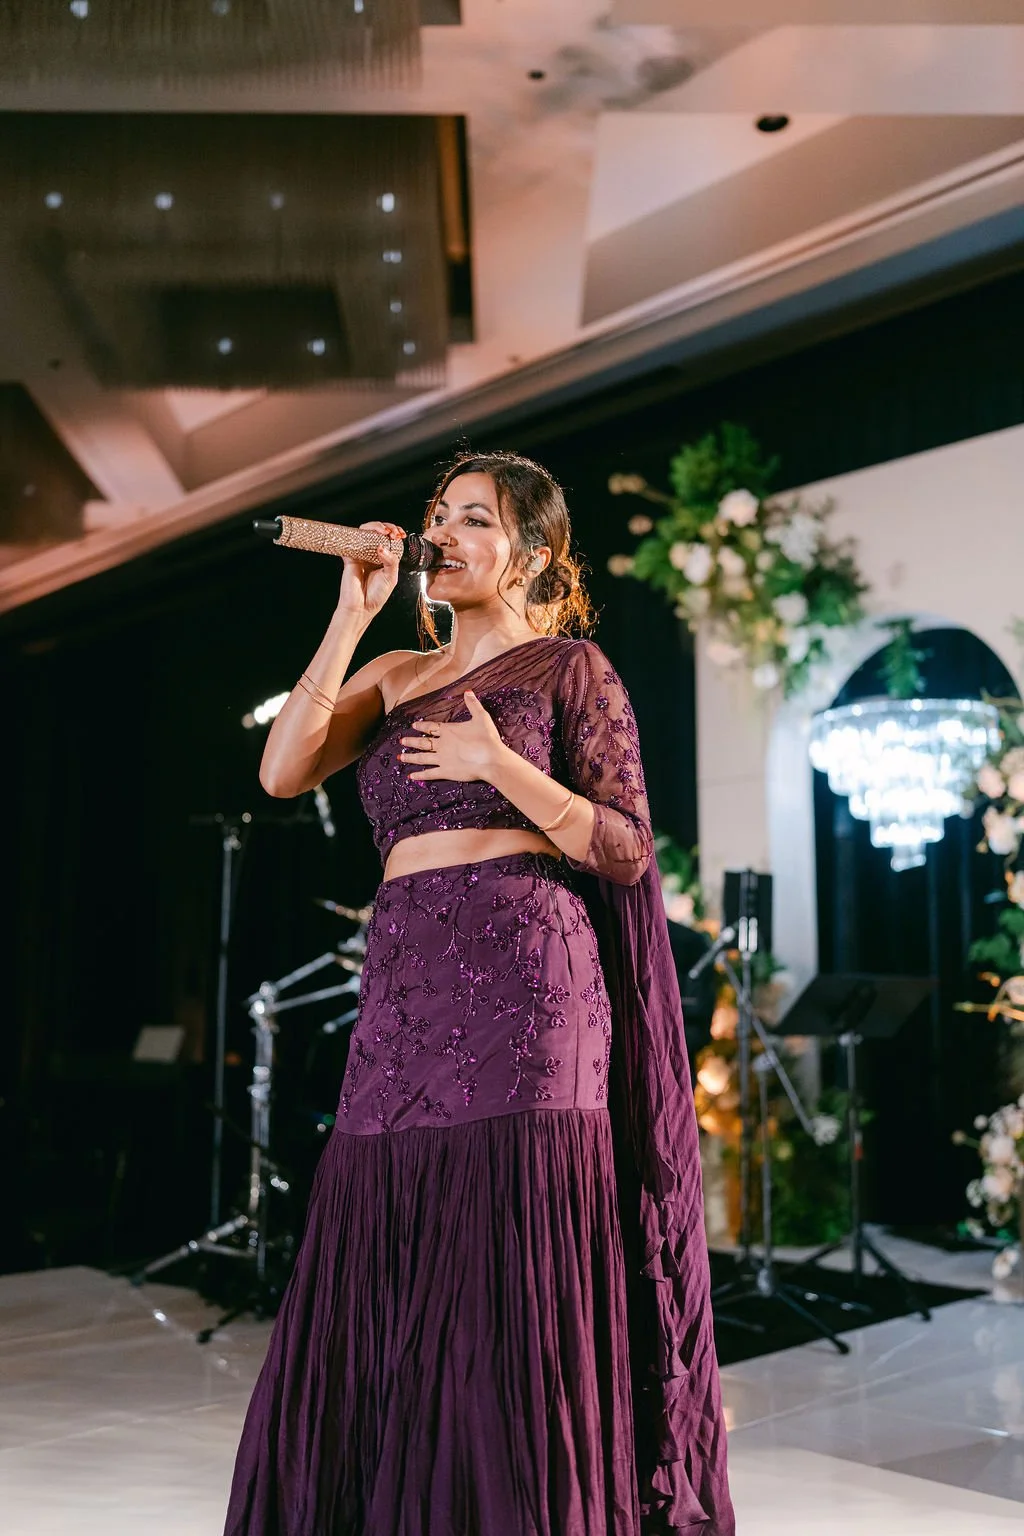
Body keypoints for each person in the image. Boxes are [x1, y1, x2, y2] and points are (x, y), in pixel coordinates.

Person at [224, 451, 734, 1536]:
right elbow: (281, 771)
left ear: (533, 555)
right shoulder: (394, 674)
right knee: (383, 1242)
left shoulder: (569, 670)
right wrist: (352, 612)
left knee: (510, 1263)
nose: (445, 534)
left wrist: (501, 765)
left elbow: (627, 848)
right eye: (438, 516)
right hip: (407, 991)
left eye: (475, 519)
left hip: (532, 987)